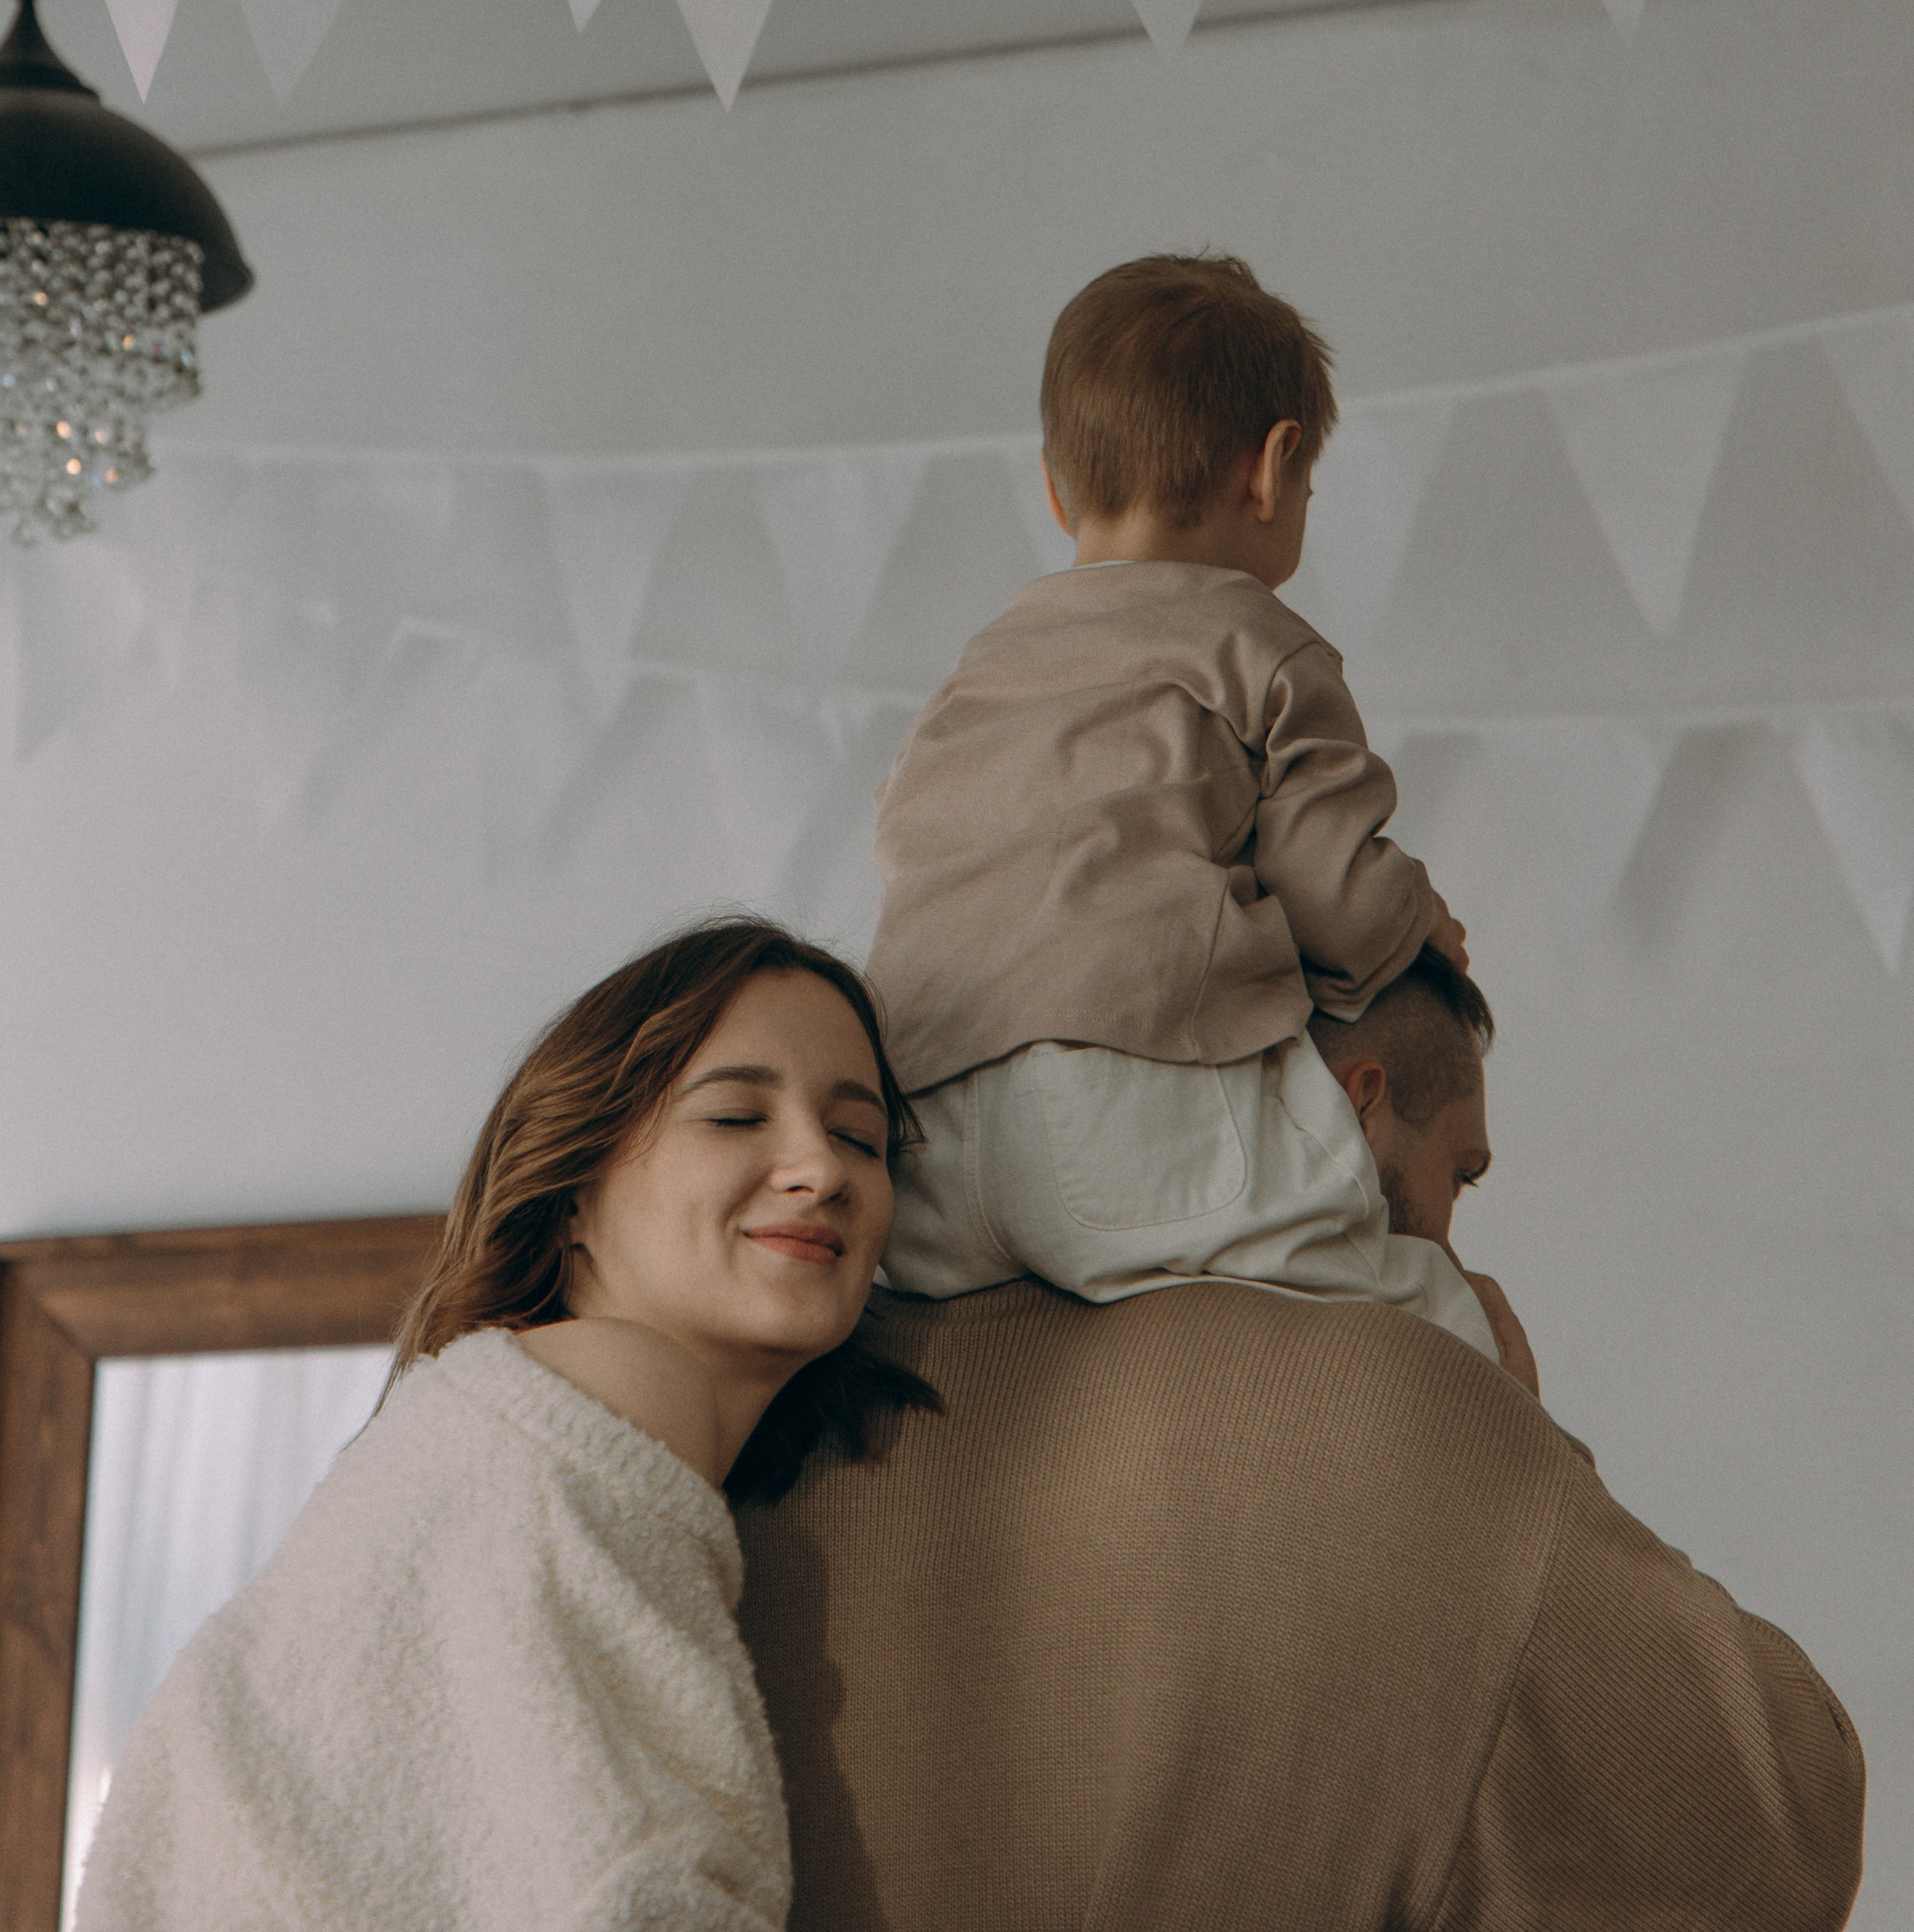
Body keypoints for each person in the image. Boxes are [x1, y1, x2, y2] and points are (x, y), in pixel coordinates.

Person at [737, 960, 1867, 1931]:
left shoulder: (750, 1403)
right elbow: (1776, 1818)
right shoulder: (1404, 1418)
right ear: (1345, 1106)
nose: (1453, 1225)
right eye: (1460, 1176)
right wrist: (1526, 1440)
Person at [73, 919, 938, 1932]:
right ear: (574, 1195)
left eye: (857, 1137)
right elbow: (608, 1865)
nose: (819, 1169)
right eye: (738, 1116)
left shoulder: (510, 1436)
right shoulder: (607, 1382)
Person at [868, 250, 1498, 1366]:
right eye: (1309, 487)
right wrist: (1424, 920)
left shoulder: (972, 675)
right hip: (1124, 1106)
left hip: (924, 1143)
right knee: (1424, 1308)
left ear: (1058, 492)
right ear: (1274, 468)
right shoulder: (1259, 643)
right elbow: (1340, 904)